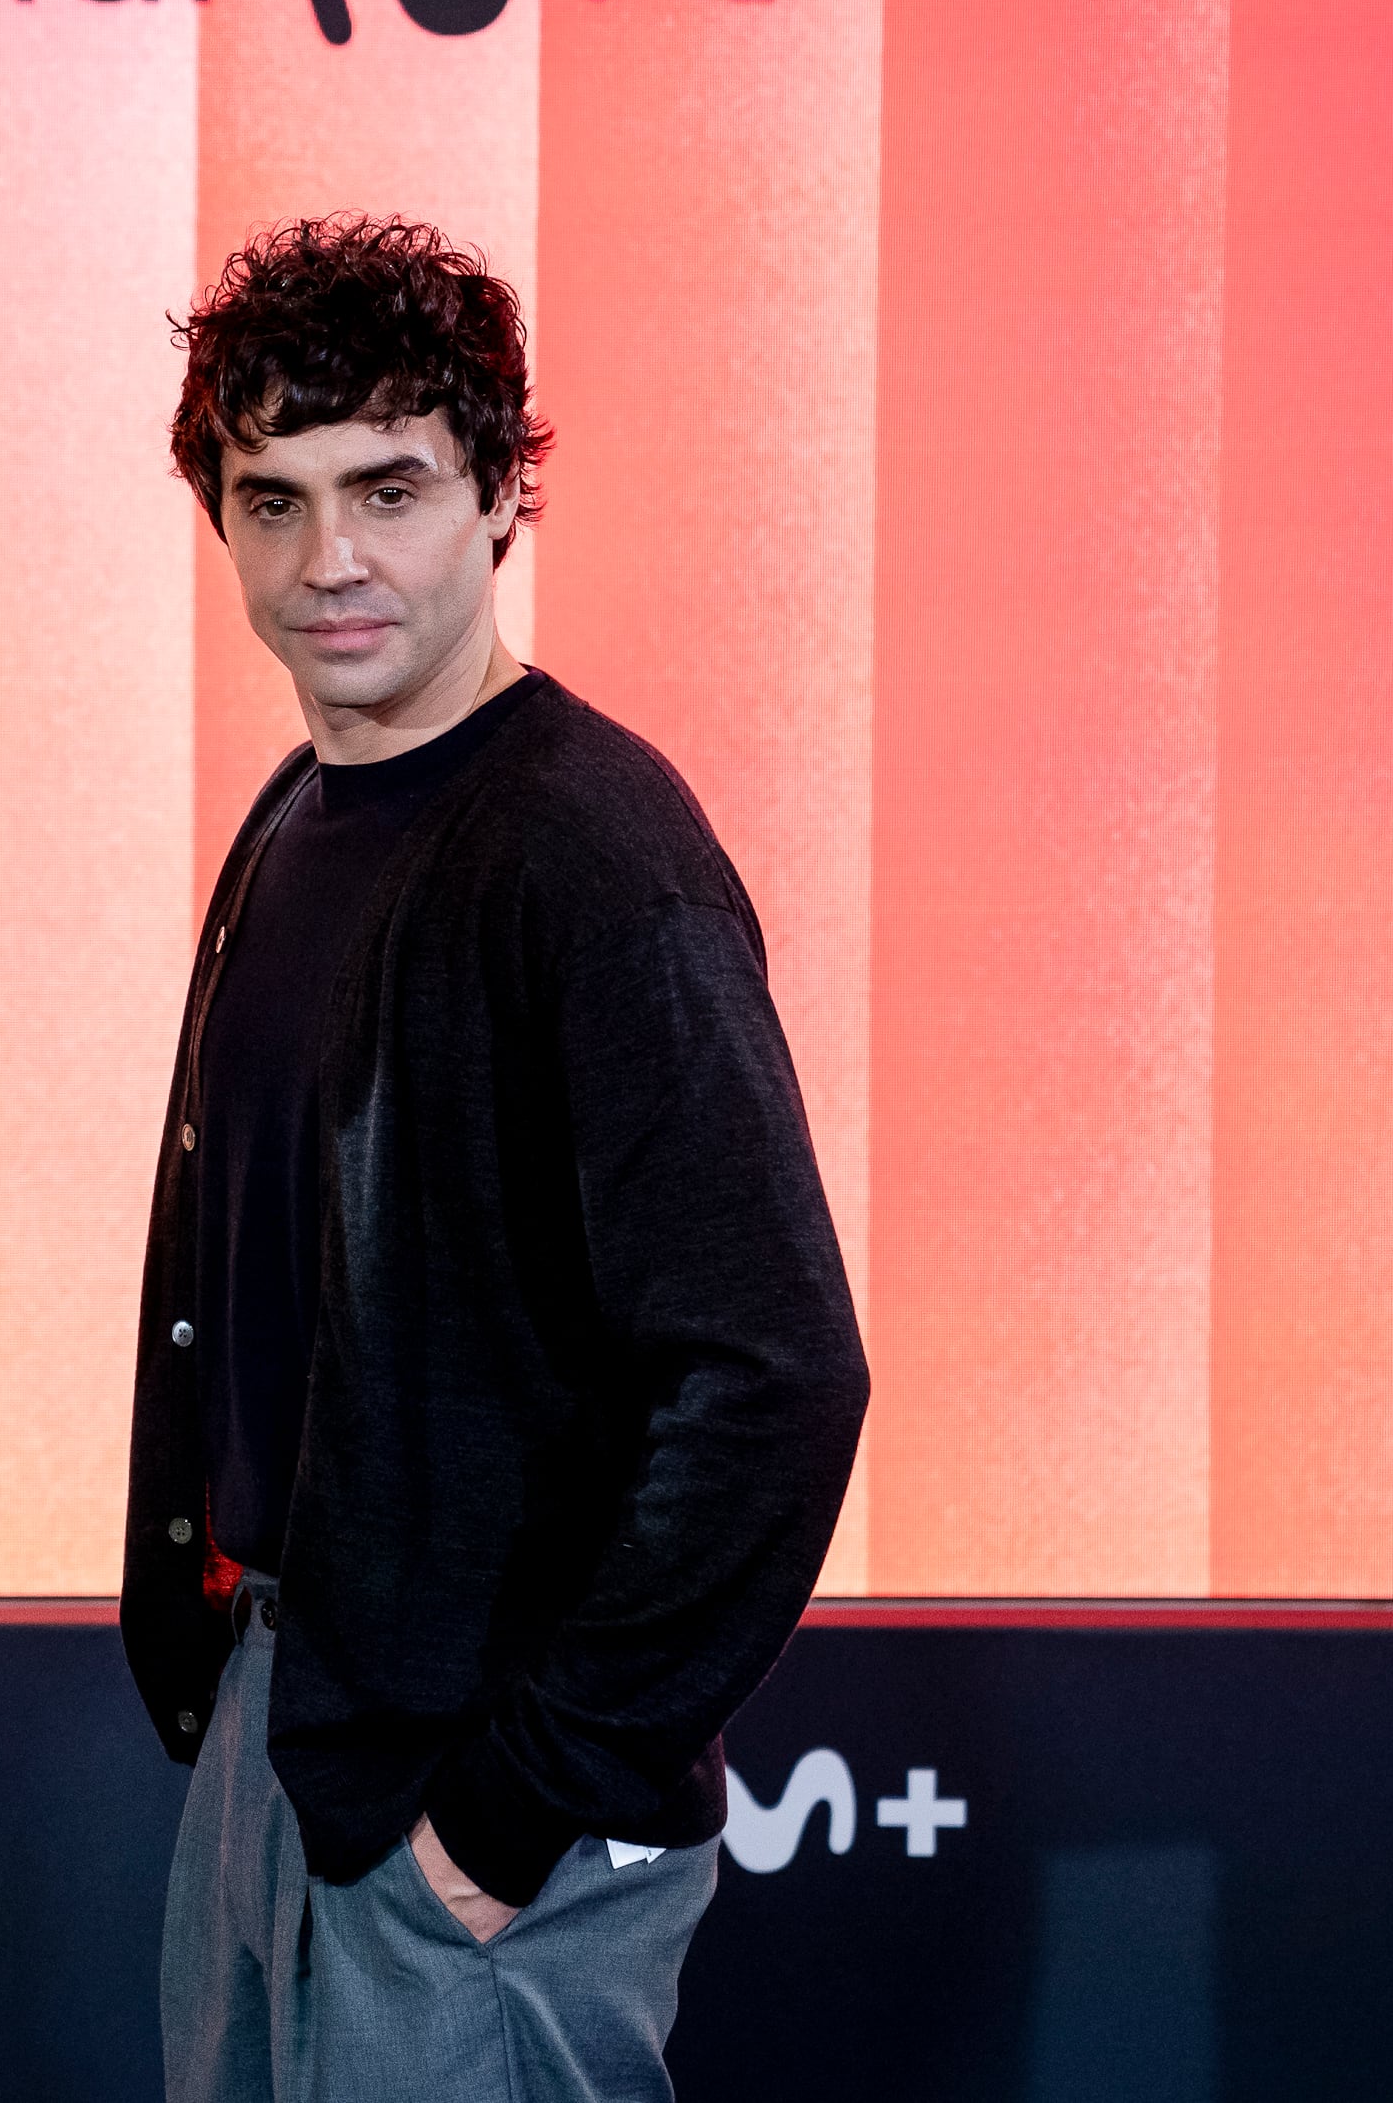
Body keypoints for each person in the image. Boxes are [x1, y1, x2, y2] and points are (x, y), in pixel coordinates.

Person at [125, 215, 869, 2103]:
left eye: (389, 487)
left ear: (498, 497)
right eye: (270, 500)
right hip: (289, 1741)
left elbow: (776, 1378)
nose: (329, 560)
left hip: (467, 1813)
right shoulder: (298, 816)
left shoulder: (591, 853)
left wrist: (512, 1812)